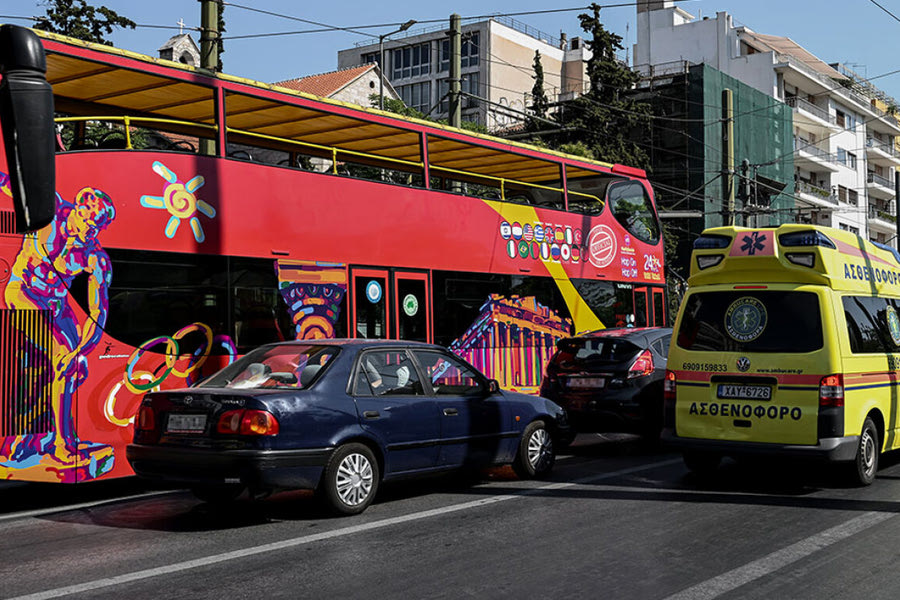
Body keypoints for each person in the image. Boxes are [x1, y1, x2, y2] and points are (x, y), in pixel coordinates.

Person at [0, 180, 116, 481]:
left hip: (56, 302)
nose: (90, 233)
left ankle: (34, 436)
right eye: (88, 223)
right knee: (61, 359)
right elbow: (9, 180)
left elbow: (98, 312)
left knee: (75, 366)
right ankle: (64, 445)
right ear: (78, 208)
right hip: (23, 292)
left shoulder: (94, 257)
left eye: (96, 229)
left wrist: (81, 351)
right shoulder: (49, 210)